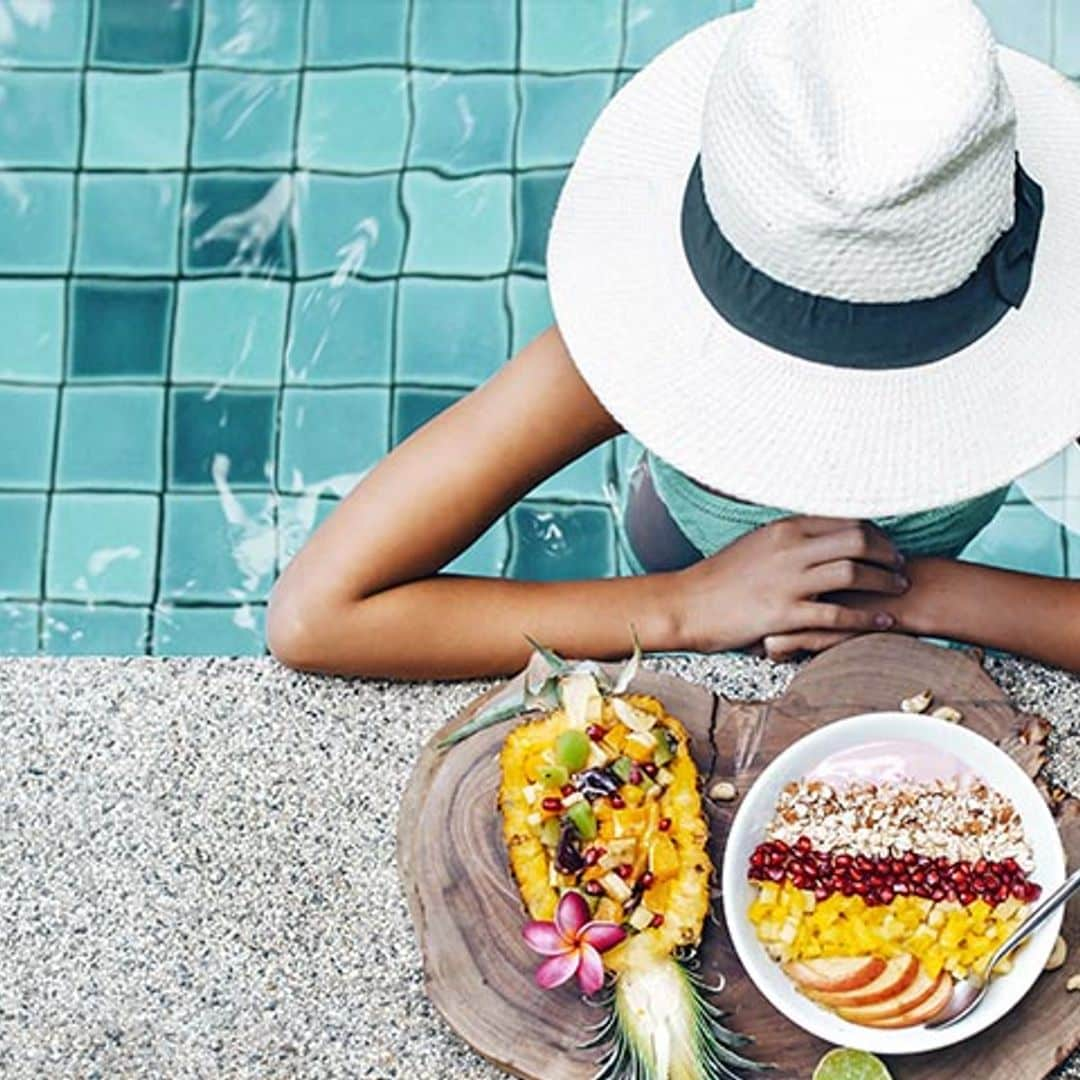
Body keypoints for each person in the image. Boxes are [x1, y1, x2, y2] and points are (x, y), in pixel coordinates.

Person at [268, 0, 1080, 678]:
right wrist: (687, 605)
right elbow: (317, 616)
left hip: (874, 577)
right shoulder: (610, 360)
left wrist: (922, 595)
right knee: (662, 543)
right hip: (690, 553)